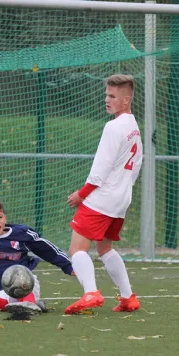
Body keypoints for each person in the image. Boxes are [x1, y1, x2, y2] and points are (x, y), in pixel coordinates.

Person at [64, 74, 142, 315]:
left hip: (103, 196)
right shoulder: (134, 126)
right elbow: (137, 164)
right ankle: (128, 297)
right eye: (106, 94)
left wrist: (82, 194)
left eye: (112, 96)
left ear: (126, 100)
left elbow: (101, 167)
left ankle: (91, 293)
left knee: (77, 249)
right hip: (120, 198)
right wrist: (123, 190)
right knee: (105, 247)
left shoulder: (114, 127)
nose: (106, 99)